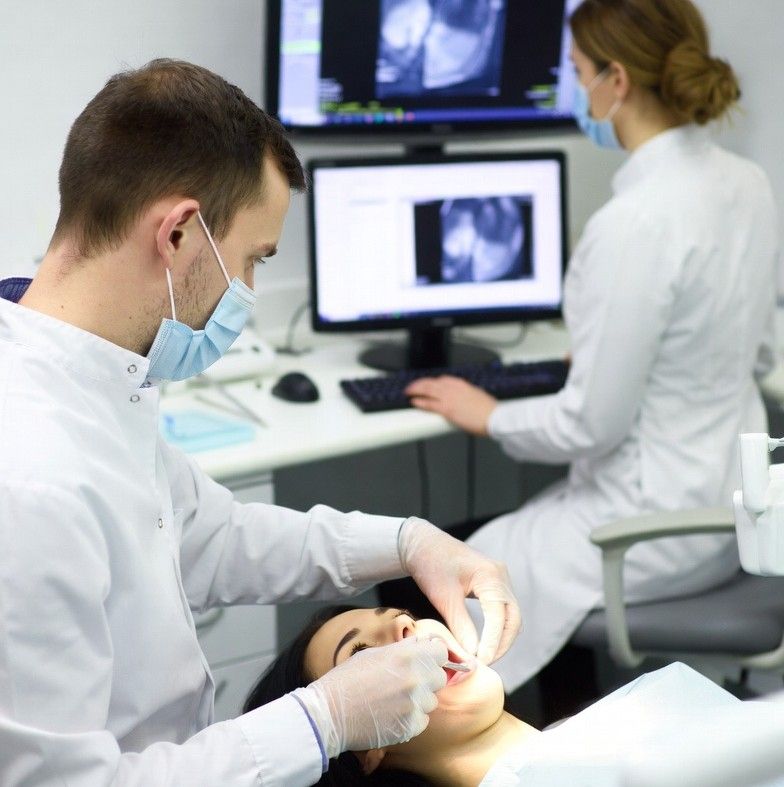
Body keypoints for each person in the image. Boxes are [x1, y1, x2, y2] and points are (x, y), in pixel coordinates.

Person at [0, 59, 520, 786]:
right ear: (178, 233)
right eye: (251, 259)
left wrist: (408, 542)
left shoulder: (96, 379)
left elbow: (211, 536)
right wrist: (321, 720)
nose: (248, 293)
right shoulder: (29, 475)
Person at [403, 0, 781, 695]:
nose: (574, 92)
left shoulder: (633, 221)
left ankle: (513, 752)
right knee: (499, 553)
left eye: (577, 73)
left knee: (444, 572)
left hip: (652, 528)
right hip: (734, 516)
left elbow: (589, 424)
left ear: (617, 80)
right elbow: (755, 353)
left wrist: (488, 413)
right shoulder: (748, 185)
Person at [245, 604, 784, 786]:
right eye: (362, 656)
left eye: (402, 618)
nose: (408, 632)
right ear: (368, 748)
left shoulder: (630, 713)